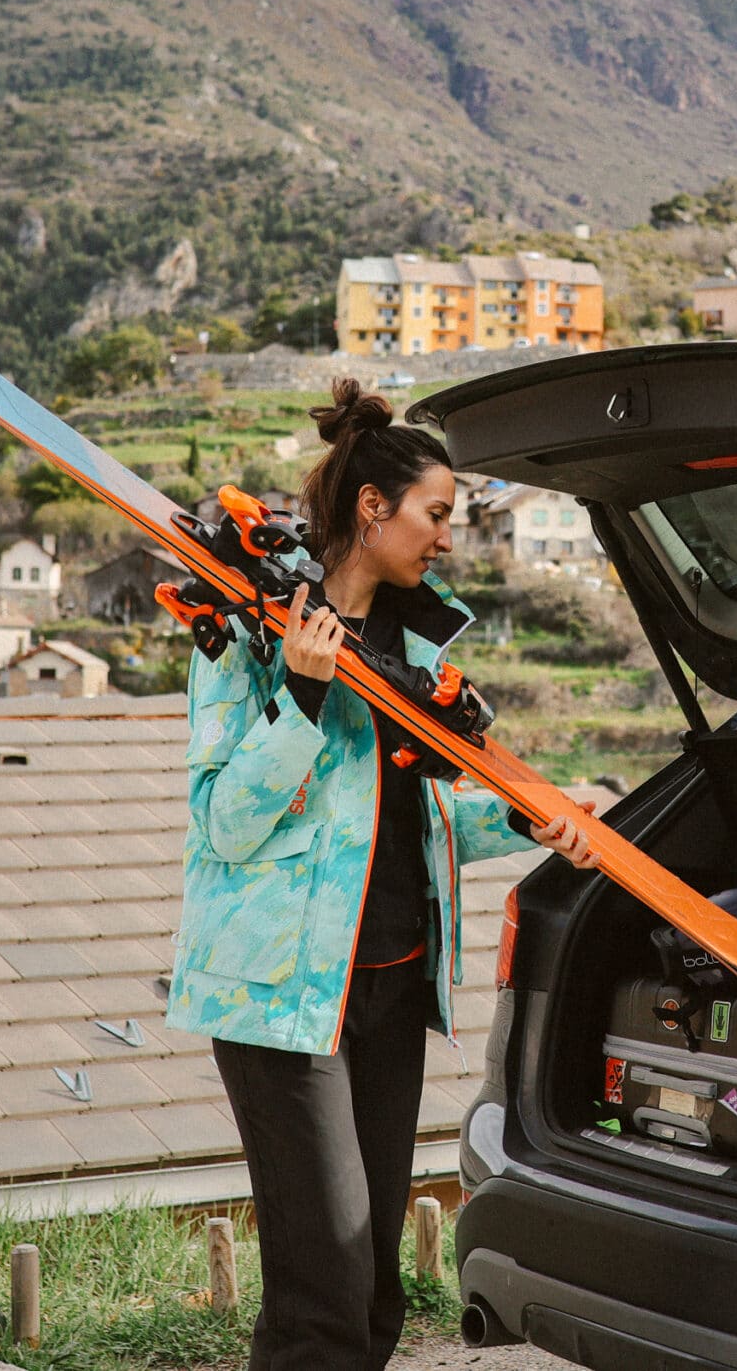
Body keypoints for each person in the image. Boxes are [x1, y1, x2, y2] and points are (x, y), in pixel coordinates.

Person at [165, 377, 598, 1371]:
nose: (447, 537)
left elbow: (421, 816)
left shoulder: (412, 653)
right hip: (282, 998)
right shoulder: (248, 632)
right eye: (435, 514)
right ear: (374, 508)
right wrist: (303, 701)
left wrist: (538, 818)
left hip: (393, 987)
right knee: (325, 1291)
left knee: (371, 1300)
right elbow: (226, 824)